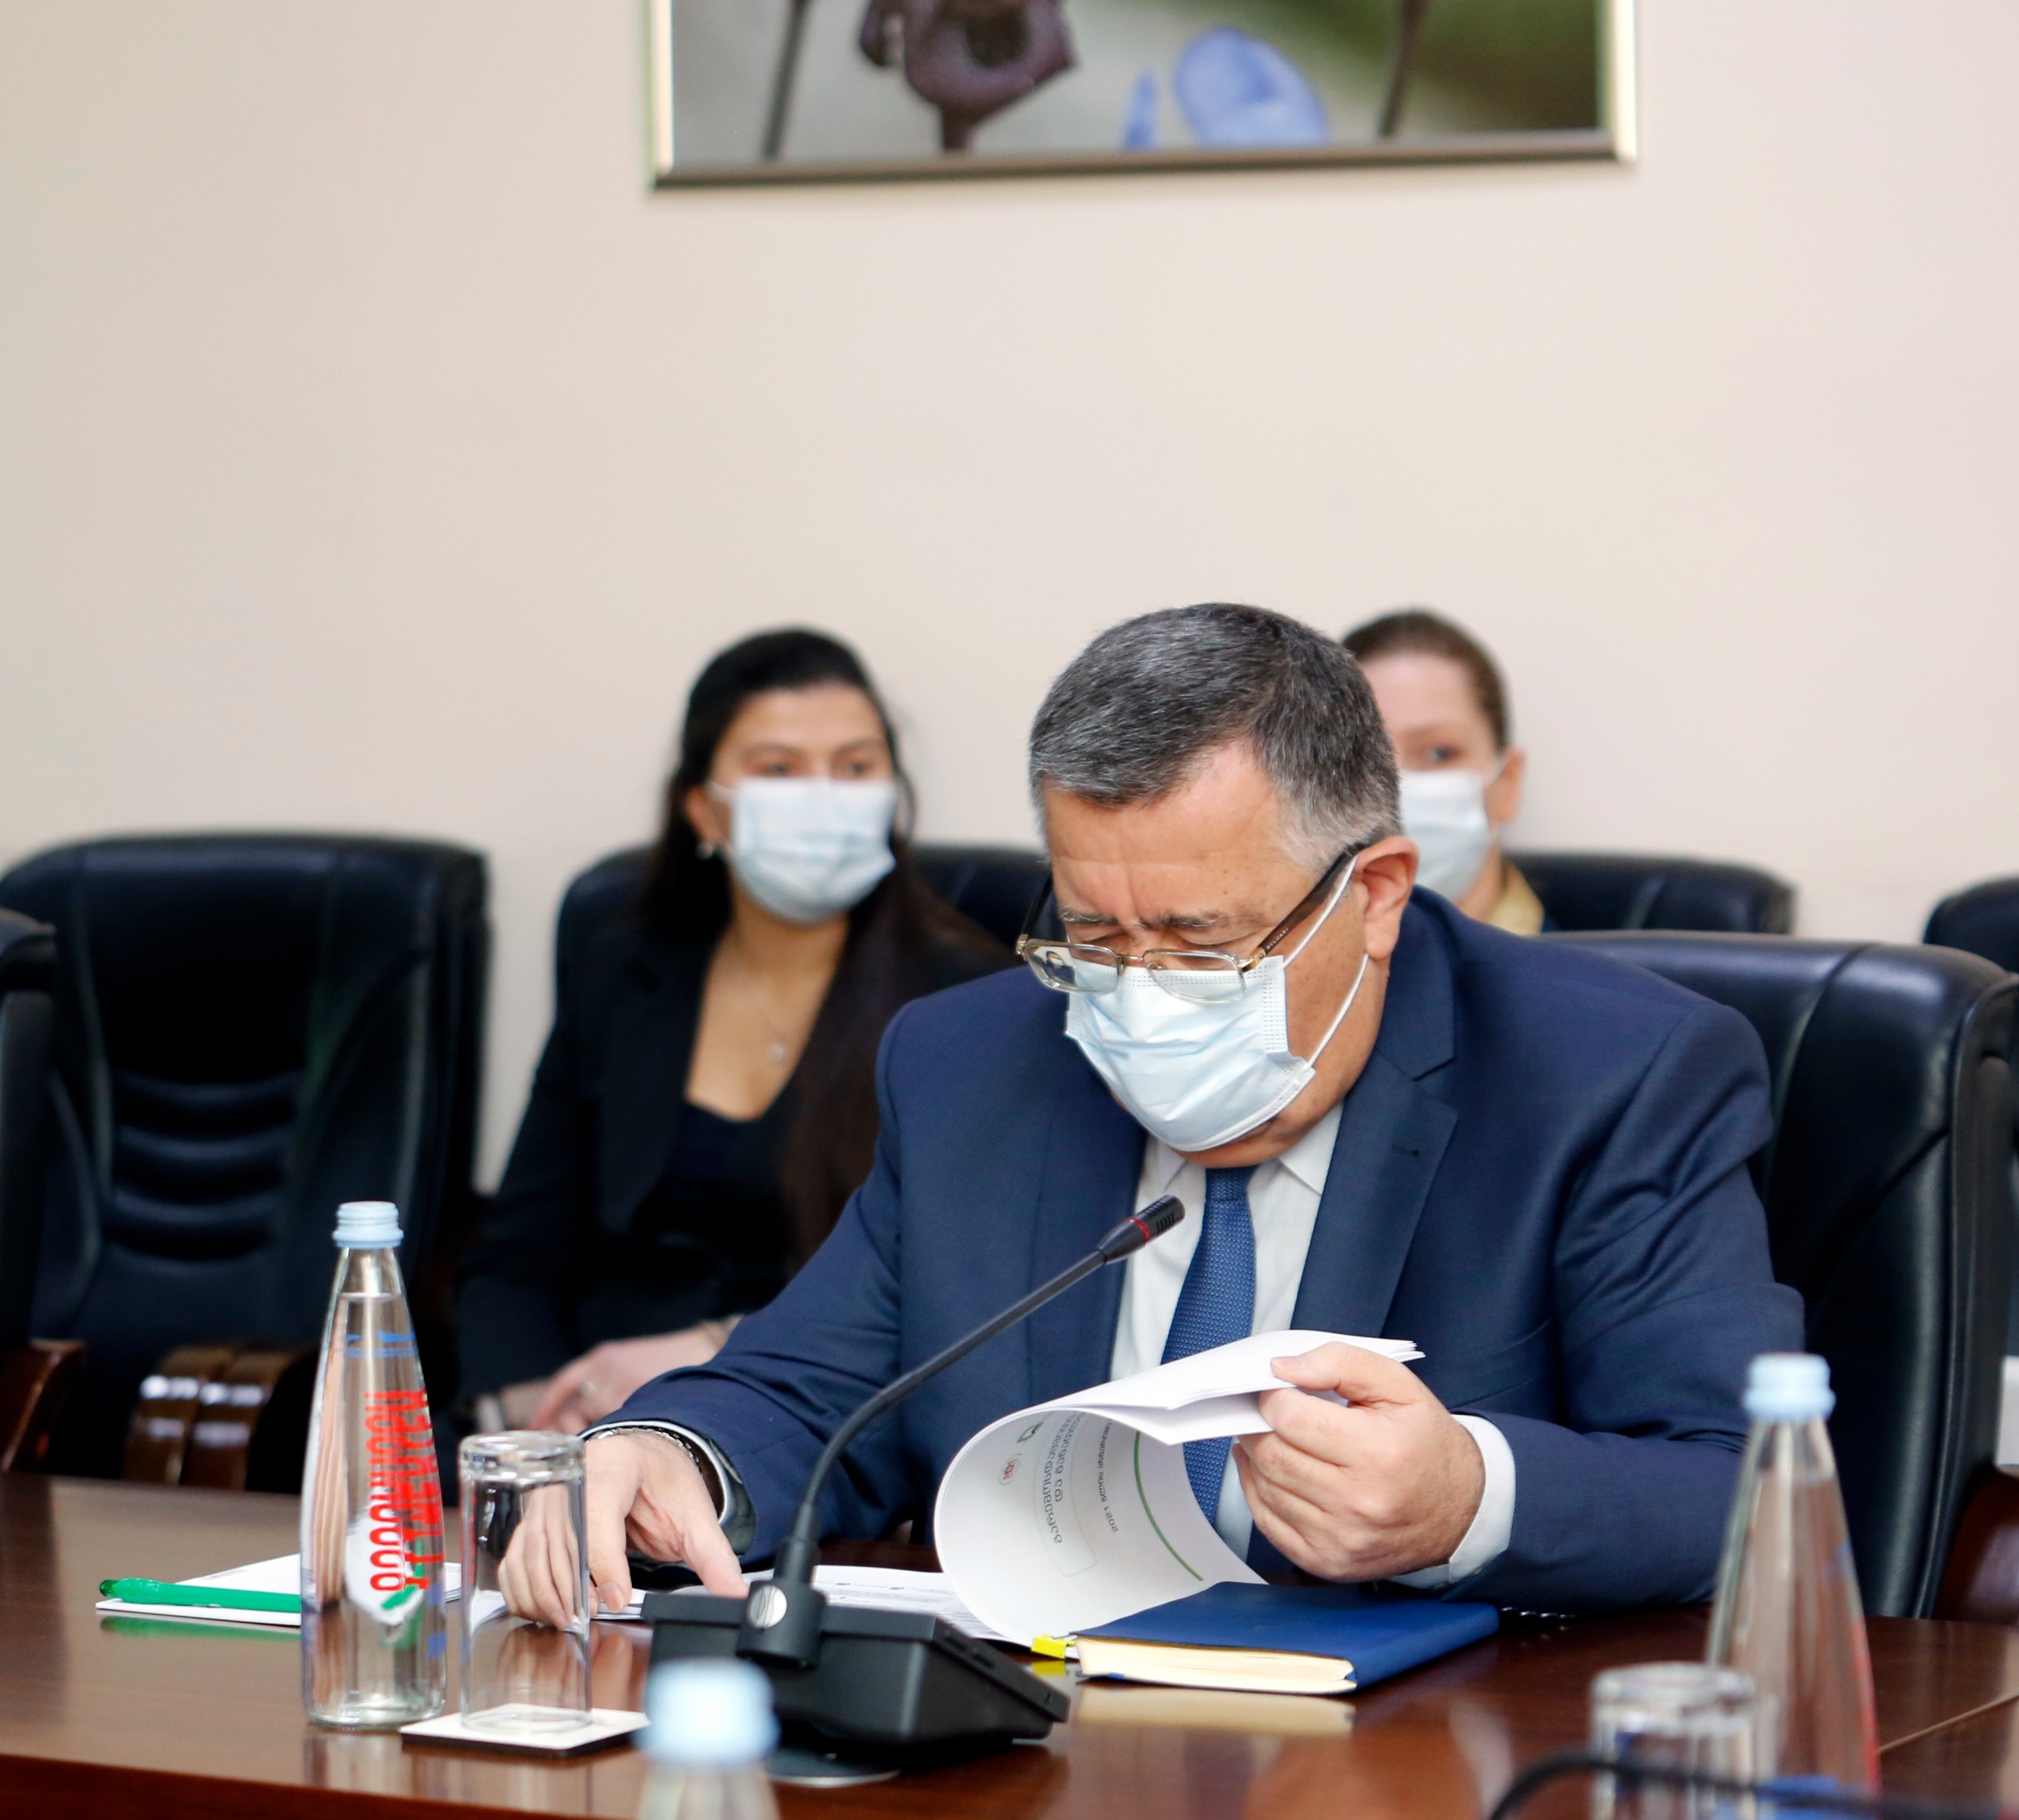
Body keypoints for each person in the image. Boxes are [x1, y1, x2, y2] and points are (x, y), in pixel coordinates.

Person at [529, 604, 1798, 1618]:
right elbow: (813, 1388)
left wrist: (1466, 1496)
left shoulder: (1612, 1075)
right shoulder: (972, 1061)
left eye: (1198, 944)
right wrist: (671, 1452)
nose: (1137, 997)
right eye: (1093, 937)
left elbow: (1738, 1485)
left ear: (1372, 895)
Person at [451, 630, 1008, 1436]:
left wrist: (715, 1349)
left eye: (855, 767)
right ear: (702, 807)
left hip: (811, 1416)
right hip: (581, 1411)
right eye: (778, 769)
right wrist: (527, 1415)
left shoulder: (969, 996)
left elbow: (951, 1289)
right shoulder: (621, 970)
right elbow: (516, 1255)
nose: (822, 798)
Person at [1345, 609, 1539, 933]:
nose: (1397, 786)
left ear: (1508, 783)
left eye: (1439, 753)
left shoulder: (1588, 964)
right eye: (1366, 757)